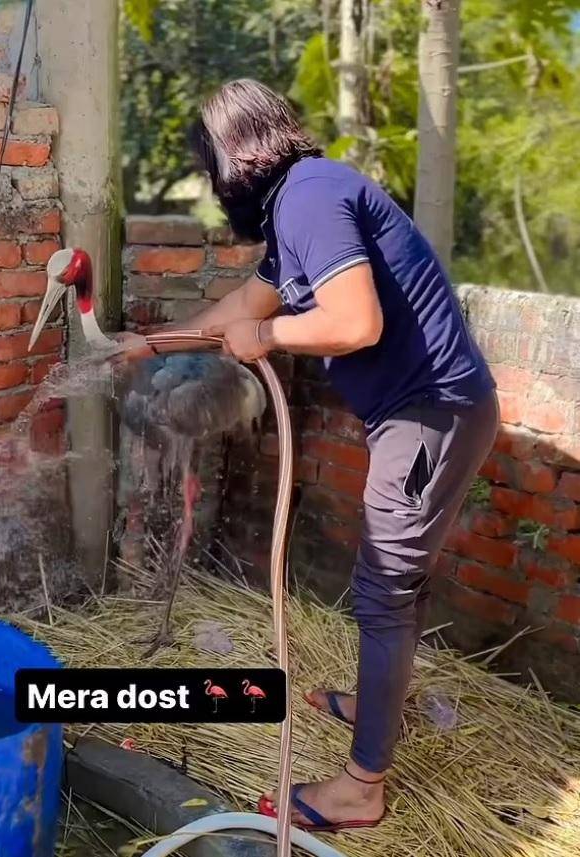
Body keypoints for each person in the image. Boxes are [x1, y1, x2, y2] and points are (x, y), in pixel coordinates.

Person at [122, 78, 499, 832]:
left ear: (233, 157)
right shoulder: (299, 205)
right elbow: (244, 305)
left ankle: (361, 789)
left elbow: (353, 322)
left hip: (430, 414)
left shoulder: (310, 198)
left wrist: (264, 339)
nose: (214, 187)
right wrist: (148, 345)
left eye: (211, 168)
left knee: (383, 589)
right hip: (422, 414)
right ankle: (376, 705)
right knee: (395, 584)